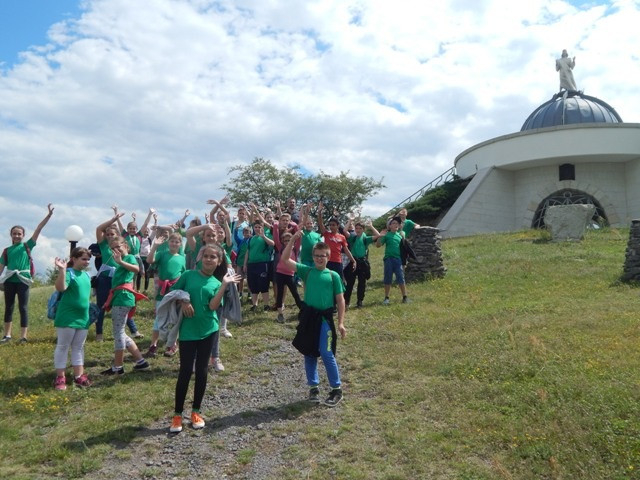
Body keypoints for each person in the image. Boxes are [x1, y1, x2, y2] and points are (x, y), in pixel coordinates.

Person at [169, 244, 241, 433]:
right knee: (185, 371)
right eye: (206, 256)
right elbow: (172, 293)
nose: (209, 259)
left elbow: (213, 306)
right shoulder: (188, 275)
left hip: (209, 330)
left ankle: (196, 411)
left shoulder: (217, 283)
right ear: (200, 258)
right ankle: (177, 415)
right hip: (187, 331)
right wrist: (184, 301)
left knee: (202, 371)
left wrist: (224, 284)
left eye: (213, 257)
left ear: (219, 261)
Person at [280, 231, 346, 407]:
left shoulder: (333, 276)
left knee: (326, 353)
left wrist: (340, 323)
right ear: (312, 256)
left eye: (322, 256)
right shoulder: (306, 271)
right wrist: (293, 240)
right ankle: (314, 388)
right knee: (309, 353)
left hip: (324, 320)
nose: (319, 259)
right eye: (316, 256)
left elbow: (340, 300)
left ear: (328, 257)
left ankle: (336, 389)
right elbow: (285, 260)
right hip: (309, 318)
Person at [0, 204, 54, 343]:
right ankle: (7, 335)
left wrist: (48, 216)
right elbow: (1, 267)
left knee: (23, 308)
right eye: (14, 234)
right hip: (10, 281)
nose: (17, 236)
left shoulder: (27, 245)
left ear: (23, 235)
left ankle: (23, 336)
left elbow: (38, 229)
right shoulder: (6, 251)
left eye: (19, 234)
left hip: (23, 281)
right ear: (11, 235)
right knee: (9, 307)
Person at [101, 237, 150, 375]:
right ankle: (141, 361)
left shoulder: (128, 258)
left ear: (126, 246)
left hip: (123, 298)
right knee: (121, 332)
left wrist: (121, 262)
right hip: (120, 297)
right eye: (113, 248)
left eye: (118, 246)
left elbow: (136, 269)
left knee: (118, 333)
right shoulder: (120, 262)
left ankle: (118, 367)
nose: (116, 250)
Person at [95, 212, 141, 341]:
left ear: (118, 235)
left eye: (112, 234)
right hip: (105, 279)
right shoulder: (104, 245)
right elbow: (99, 229)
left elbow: (134, 268)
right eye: (108, 234)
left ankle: (133, 330)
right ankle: (99, 333)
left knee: (121, 305)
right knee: (101, 305)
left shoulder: (122, 250)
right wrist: (113, 219)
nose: (110, 236)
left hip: (120, 281)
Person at [52, 248, 93, 390]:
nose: (86, 262)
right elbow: (61, 287)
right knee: (63, 346)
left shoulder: (86, 275)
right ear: (74, 259)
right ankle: (60, 378)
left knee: (78, 347)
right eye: (83, 259)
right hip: (67, 316)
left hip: (83, 317)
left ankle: (78, 376)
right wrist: (62, 271)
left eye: (88, 259)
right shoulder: (70, 273)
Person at [144, 233, 186, 358]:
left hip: (175, 292)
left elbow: (183, 275)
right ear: (168, 242)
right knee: (159, 317)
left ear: (180, 244)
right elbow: (149, 260)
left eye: (177, 242)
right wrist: (154, 246)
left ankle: (172, 345)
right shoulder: (162, 254)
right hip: (162, 292)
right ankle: (153, 345)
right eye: (172, 241)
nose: (174, 243)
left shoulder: (182, 258)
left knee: (174, 318)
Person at [344, 220, 380, 308]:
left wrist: (371, 226)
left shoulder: (365, 239)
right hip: (353, 262)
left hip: (362, 262)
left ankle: (359, 301)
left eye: (360, 228)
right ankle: (346, 302)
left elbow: (378, 235)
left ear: (363, 229)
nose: (358, 230)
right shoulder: (352, 237)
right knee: (350, 283)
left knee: (362, 283)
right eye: (356, 228)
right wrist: (350, 220)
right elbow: (344, 231)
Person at [243, 220, 275, 311]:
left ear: (262, 228)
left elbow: (273, 244)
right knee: (253, 286)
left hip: (262, 264)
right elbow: (248, 252)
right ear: (253, 228)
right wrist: (245, 264)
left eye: (259, 227)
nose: (257, 229)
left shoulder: (266, 237)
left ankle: (266, 305)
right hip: (251, 265)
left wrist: (263, 236)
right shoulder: (251, 239)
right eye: (256, 227)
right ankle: (255, 305)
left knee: (263, 285)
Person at [376, 216, 408, 305]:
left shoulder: (400, 235)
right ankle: (386, 298)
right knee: (388, 278)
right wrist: (379, 236)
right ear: (389, 226)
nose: (396, 224)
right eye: (393, 223)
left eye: (397, 223)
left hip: (398, 259)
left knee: (401, 278)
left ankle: (405, 297)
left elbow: (404, 247)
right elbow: (378, 245)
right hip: (388, 259)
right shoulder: (387, 235)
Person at [273, 230, 303, 323]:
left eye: (289, 240)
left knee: (295, 293)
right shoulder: (281, 248)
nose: (287, 242)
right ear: (282, 241)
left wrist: (298, 232)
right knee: (280, 293)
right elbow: (275, 236)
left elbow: (299, 239)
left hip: (290, 275)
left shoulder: (295, 249)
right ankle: (280, 314)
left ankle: (302, 311)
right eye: (285, 240)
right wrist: (275, 225)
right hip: (280, 273)